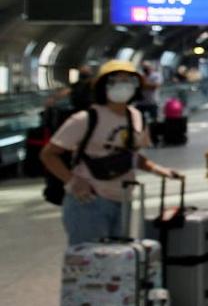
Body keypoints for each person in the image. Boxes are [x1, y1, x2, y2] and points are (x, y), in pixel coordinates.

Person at [40, 60, 181, 245]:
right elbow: (49, 154)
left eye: (128, 80)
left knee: (117, 257)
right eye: (115, 80)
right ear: (102, 86)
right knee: (90, 259)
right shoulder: (85, 119)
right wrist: (73, 181)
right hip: (89, 201)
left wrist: (157, 169)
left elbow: (131, 155)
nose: (123, 85)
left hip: (123, 200)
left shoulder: (136, 117)